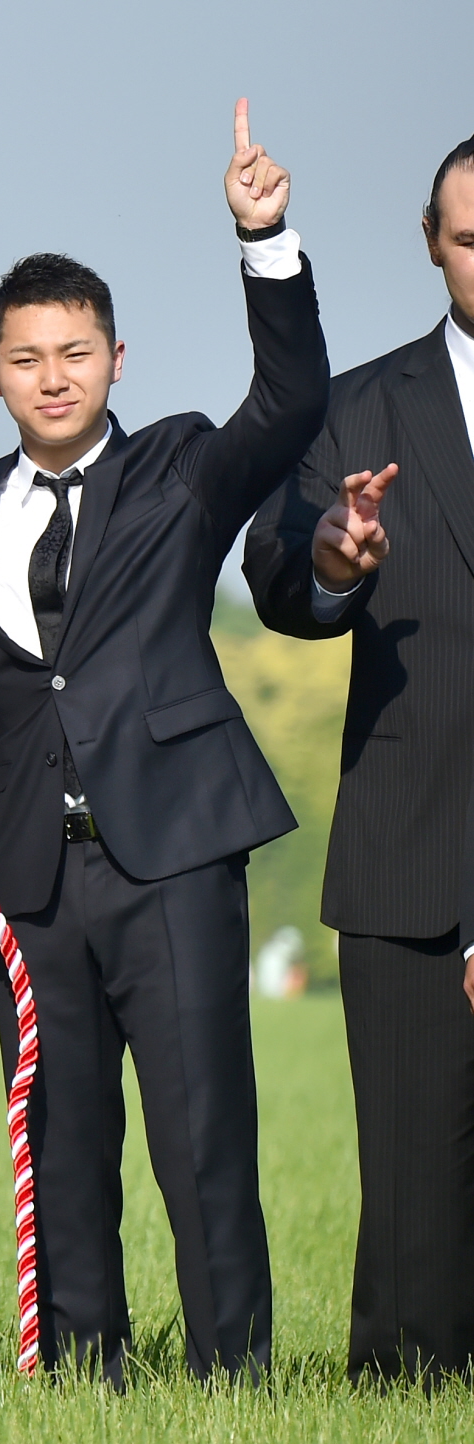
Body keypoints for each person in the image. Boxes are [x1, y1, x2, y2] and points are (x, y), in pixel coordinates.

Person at [0, 103, 324, 1384]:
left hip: (176, 857)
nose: (52, 375)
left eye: (75, 351)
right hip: (28, 869)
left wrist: (263, 241)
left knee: (205, 1135)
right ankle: (85, 1374)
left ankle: (233, 1380)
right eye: (26, 356)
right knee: (61, 1138)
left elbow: (295, 397)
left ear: (115, 358)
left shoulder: (182, 470)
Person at [244, 130, 474, 1382]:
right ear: (433, 243)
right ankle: (408, 1399)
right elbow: (277, 569)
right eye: (473, 234)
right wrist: (336, 561)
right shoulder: (365, 406)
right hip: (411, 845)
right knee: (412, 1181)